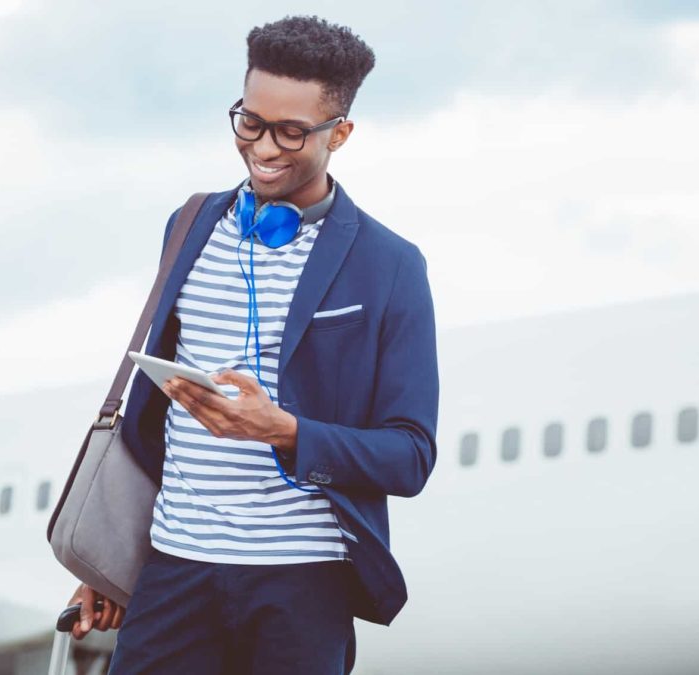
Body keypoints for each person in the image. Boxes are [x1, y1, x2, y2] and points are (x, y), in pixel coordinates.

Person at [66, 15, 439, 675]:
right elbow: (153, 420)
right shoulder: (187, 226)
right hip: (173, 571)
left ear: (340, 133)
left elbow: (410, 455)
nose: (264, 146)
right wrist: (113, 560)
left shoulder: (389, 265)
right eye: (250, 122)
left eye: (291, 131)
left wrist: (286, 430)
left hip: (301, 583)